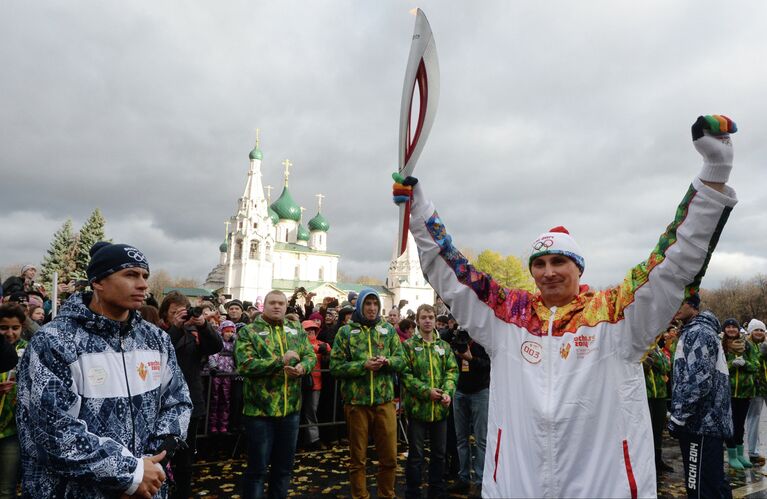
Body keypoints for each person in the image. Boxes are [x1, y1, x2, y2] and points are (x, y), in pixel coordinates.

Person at [393, 114, 739, 497]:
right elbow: (454, 275)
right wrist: (420, 213)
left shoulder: (616, 315)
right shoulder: (508, 316)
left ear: (578, 268)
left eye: (559, 262)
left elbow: (671, 265)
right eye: (539, 264)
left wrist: (713, 173)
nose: (548, 272)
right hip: (518, 481)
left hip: (601, 484)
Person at [15, 241, 192, 498]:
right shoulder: (55, 341)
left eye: (145, 276)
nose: (142, 284)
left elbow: (178, 402)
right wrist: (130, 473)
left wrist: (150, 466)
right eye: (130, 274)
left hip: (147, 487)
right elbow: (53, 431)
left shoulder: (156, 339)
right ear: (98, 281)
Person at [235, 290, 316, 499]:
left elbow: (309, 355)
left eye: (281, 303)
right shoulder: (249, 331)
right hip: (259, 413)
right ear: (265, 305)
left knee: (284, 470)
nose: (277, 306)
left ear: (286, 306)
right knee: (257, 471)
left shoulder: (295, 328)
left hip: (290, 412)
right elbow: (245, 364)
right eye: (273, 302)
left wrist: (302, 368)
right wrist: (281, 361)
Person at [330, 288, 405, 499]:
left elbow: (401, 361)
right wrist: (363, 366)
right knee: (358, 459)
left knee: (390, 457)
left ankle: (386, 495)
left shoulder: (388, 330)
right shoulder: (345, 332)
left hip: (385, 402)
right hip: (356, 404)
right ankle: (360, 496)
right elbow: (335, 366)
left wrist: (387, 362)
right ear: (359, 306)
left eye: (375, 304)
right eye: (367, 304)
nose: (372, 308)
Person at [159, 291, 223, 497]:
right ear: (165, 315)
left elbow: (216, 346)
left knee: (185, 461)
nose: (180, 315)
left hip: (190, 402)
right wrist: (176, 328)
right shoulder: (158, 333)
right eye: (174, 312)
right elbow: (162, 352)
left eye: (183, 311)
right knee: (160, 457)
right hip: (161, 405)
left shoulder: (194, 335)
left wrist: (203, 324)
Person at [668, 295, 733, 498]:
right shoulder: (694, 331)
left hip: (701, 424)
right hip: (704, 424)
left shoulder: (699, 332)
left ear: (694, 307)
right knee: (714, 484)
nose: (675, 307)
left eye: (682, 302)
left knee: (700, 489)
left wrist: (678, 417)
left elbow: (698, 382)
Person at [401, 304, 457, 499]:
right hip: (418, 410)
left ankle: (436, 492)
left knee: (439, 455)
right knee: (416, 456)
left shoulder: (444, 346)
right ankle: (413, 493)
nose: (427, 320)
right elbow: (405, 375)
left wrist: (448, 392)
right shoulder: (408, 346)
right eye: (423, 317)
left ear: (435, 320)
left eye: (431, 317)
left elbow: (451, 371)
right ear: (417, 320)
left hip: (440, 411)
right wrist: (426, 392)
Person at [443, 326, 490, 497]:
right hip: (460, 391)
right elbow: (443, 339)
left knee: (481, 440)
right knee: (461, 439)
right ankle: (463, 478)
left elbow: (490, 364)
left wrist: (471, 358)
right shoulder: (457, 333)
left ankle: (479, 481)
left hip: (480, 392)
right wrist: (452, 329)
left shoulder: (483, 336)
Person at [720, 317, 758, 469]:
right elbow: (718, 367)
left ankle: (741, 455)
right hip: (727, 392)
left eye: (733, 327)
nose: (731, 329)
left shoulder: (747, 345)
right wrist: (731, 364)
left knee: (740, 424)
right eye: (728, 327)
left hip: (744, 391)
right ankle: (732, 455)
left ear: (738, 329)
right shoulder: (721, 346)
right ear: (724, 329)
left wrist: (745, 364)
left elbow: (755, 365)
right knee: (730, 424)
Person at [0, 304, 27, 498]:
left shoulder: (29, 351)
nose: (10, 333)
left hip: (11, 431)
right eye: (3, 327)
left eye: (15, 328)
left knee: (6, 488)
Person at [643, 336, 673, 474]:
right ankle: (646, 461)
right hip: (646, 396)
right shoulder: (640, 349)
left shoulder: (658, 351)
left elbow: (666, 366)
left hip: (660, 395)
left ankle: (658, 459)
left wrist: (653, 358)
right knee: (647, 430)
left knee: (658, 429)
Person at [301, 319, 330, 450]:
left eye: (313, 329)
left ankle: (313, 440)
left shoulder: (321, 343)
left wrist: (323, 349)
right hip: (299, 382)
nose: (311, 331)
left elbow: (329, 349)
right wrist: (319, 349)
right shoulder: (300, 343)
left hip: (315, 383)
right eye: (307, 329)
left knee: (311, 411)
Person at [208, 320, 238, 434]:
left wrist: (236, 340)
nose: (229, 333)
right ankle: (213, 424)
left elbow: (238, 353)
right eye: (227, 331)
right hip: (218, 372)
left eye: (232, 331)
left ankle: (224, 423)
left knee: (226, 399)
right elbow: (212, 354)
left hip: (228, 373)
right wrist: (213, 366)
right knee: (215, 398)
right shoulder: (218, 343)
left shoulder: (234, 343)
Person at [745, 319, 767, 465]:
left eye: (761, 330)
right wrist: (762, 354)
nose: (759, 332)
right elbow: (753, 364)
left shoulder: (765, 345)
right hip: (754, 388)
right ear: (750, 332)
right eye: (756, 330)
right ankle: (753, 453)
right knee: (754, 419)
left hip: (766, 386)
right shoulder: (747, 346)